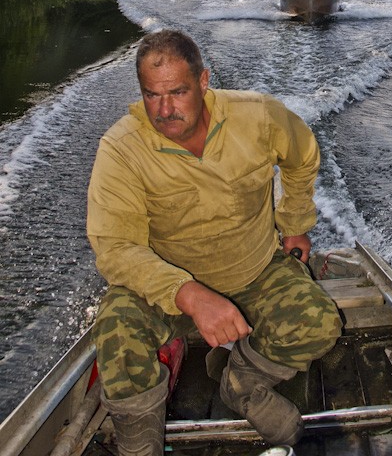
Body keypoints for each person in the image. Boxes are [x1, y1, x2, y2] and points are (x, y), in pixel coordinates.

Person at [86, 29, 342, 455]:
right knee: (115, 335)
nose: (165, 110)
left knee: (320, 323)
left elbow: (302, 156)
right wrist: (190, 295)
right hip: (164, 288)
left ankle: (242, 381)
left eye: (178, 92)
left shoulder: (258, 117)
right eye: (152, 95)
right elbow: (114, 247)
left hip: (254, 273)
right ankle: (139, 442)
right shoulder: (121, 149)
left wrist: (295, 223)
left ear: (204, 82)